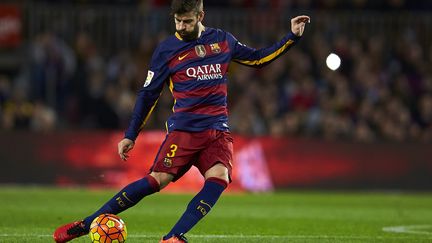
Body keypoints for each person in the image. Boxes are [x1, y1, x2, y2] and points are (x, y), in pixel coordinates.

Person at [53, 0, 310, 242]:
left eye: (186, 21)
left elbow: (257, 59)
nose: (181, 27)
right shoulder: (166, 49)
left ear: (201, 16)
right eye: (177, 21)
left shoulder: (222, 40)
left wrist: (292, 37)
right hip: (184, 131)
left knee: (220, 178)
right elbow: (148, 94)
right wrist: (131, 134)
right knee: (157, 181)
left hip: (217, 130)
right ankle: (87, 224)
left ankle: (173, 237)